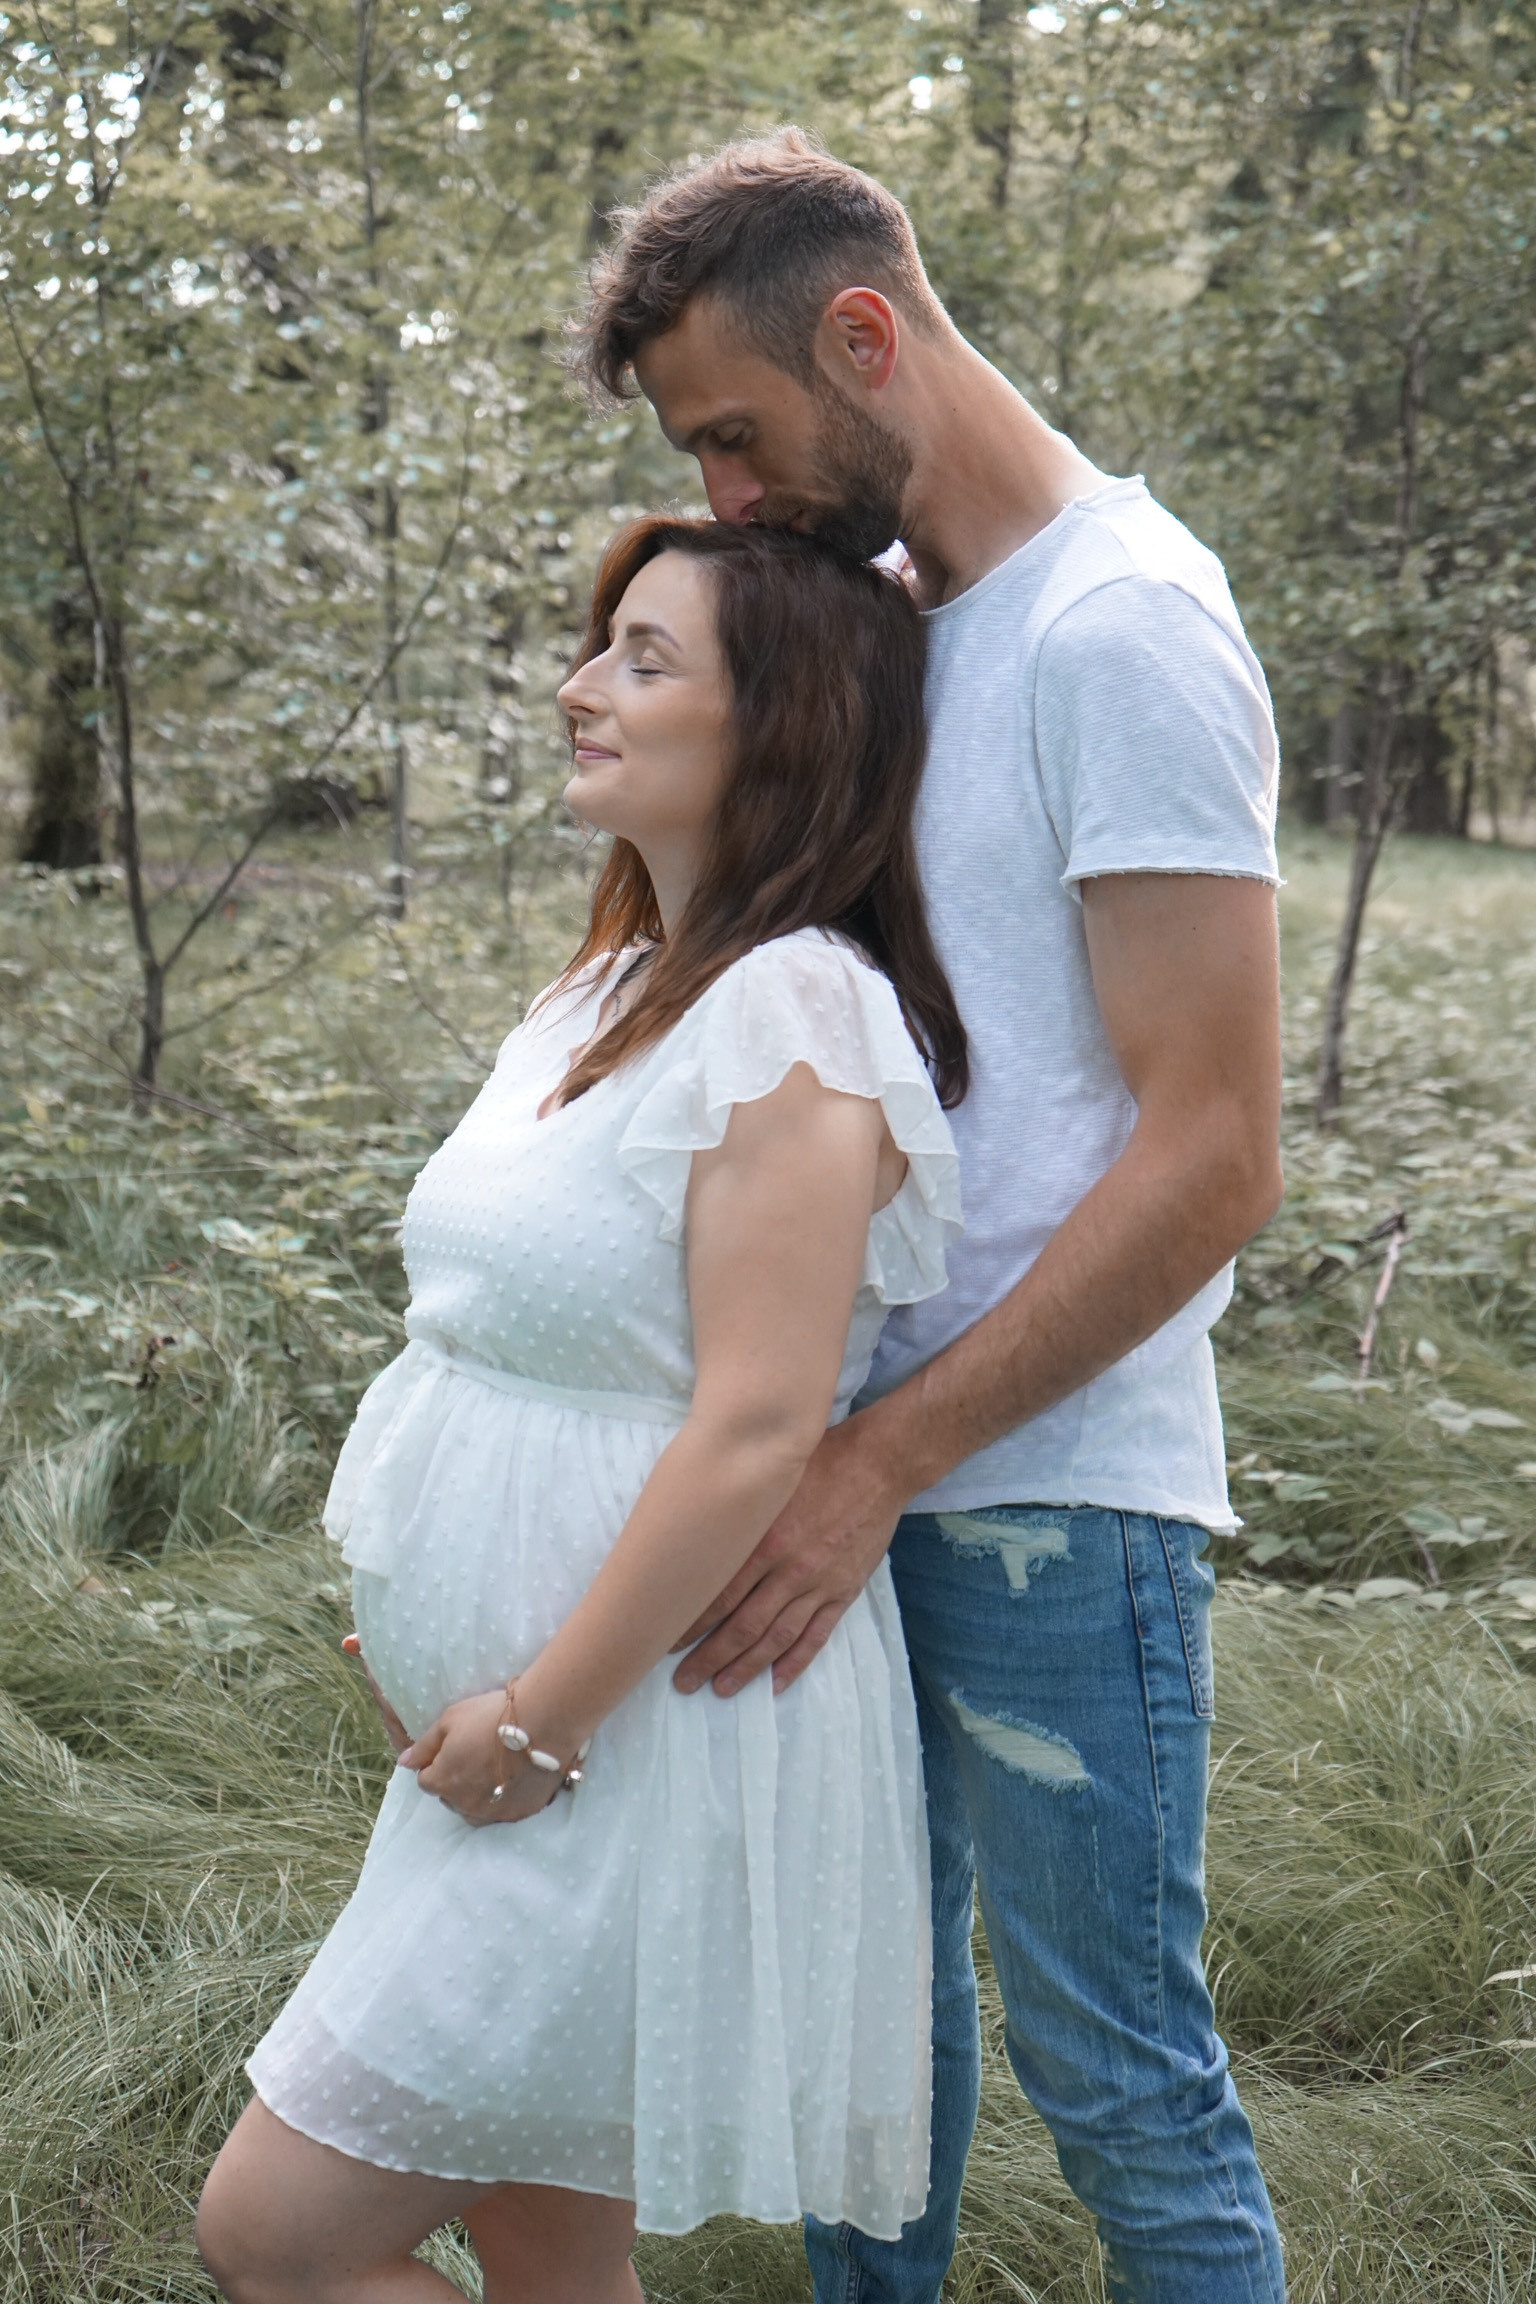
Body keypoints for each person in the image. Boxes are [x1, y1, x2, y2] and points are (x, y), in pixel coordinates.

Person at [576, 132, 1288, 2304]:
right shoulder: (894, 630)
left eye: (736, 435)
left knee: (1120, 2084)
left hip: (1042, 1500)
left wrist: (887, 1461)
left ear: (865, 338)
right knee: (860, 2070)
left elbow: (1216, 1148)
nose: (722, 498)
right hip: (832, 1493)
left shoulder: (1125, 627)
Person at [194, 516, 968, 2304]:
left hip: (625, 1738)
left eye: (641, 657)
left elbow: (760, 1423)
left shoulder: (793, 1010)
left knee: (279, 2237)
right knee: (548, 2258)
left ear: (778, 724)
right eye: (596, 647)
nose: (575, 689)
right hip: (509, 1736)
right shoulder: (611, 987)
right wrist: (425, 1587)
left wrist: (538, 1718)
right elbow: (498, 1338)